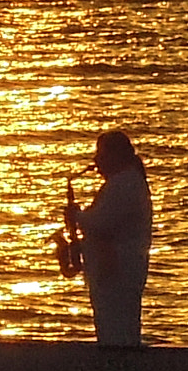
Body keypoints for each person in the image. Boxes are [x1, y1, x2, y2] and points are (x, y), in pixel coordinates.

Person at [60, 130, 153, 347]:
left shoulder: (124, 184)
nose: (96, 160)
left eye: (101, 154)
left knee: (117, 329)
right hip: (114, 267)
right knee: (116, 326)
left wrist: (76, 215)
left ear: (116, 155)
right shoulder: (125, 181)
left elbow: (101, 223)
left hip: (117, 269)